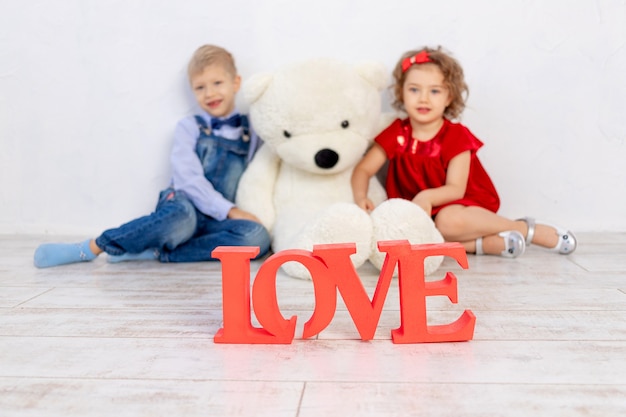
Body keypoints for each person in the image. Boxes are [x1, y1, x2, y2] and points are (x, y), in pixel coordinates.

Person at [34, 44, 271, 268]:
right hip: (183, 205)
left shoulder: (251, 129)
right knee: (183, 220)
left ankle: (159, 252)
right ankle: (93, 247)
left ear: (236, 82)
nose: (209, 93)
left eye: (217, 82)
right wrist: (229, 210)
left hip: (215, 219)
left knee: (257, 237)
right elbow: (188, 180)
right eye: (200, 87)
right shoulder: (190, 127)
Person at [351, 46, 576, 258]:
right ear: (401, 93)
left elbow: (456, 189)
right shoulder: (397, 133)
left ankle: (523, 228)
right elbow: (363, 169)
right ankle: (481, 245)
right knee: (399, 238)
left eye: (435, 91)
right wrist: (361, 196)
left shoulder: (455, 136)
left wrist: (427, 197)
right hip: (417, 210)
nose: (423, 98)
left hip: (458, 204)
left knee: (447, 221)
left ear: (449, 97)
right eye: (414, 89)